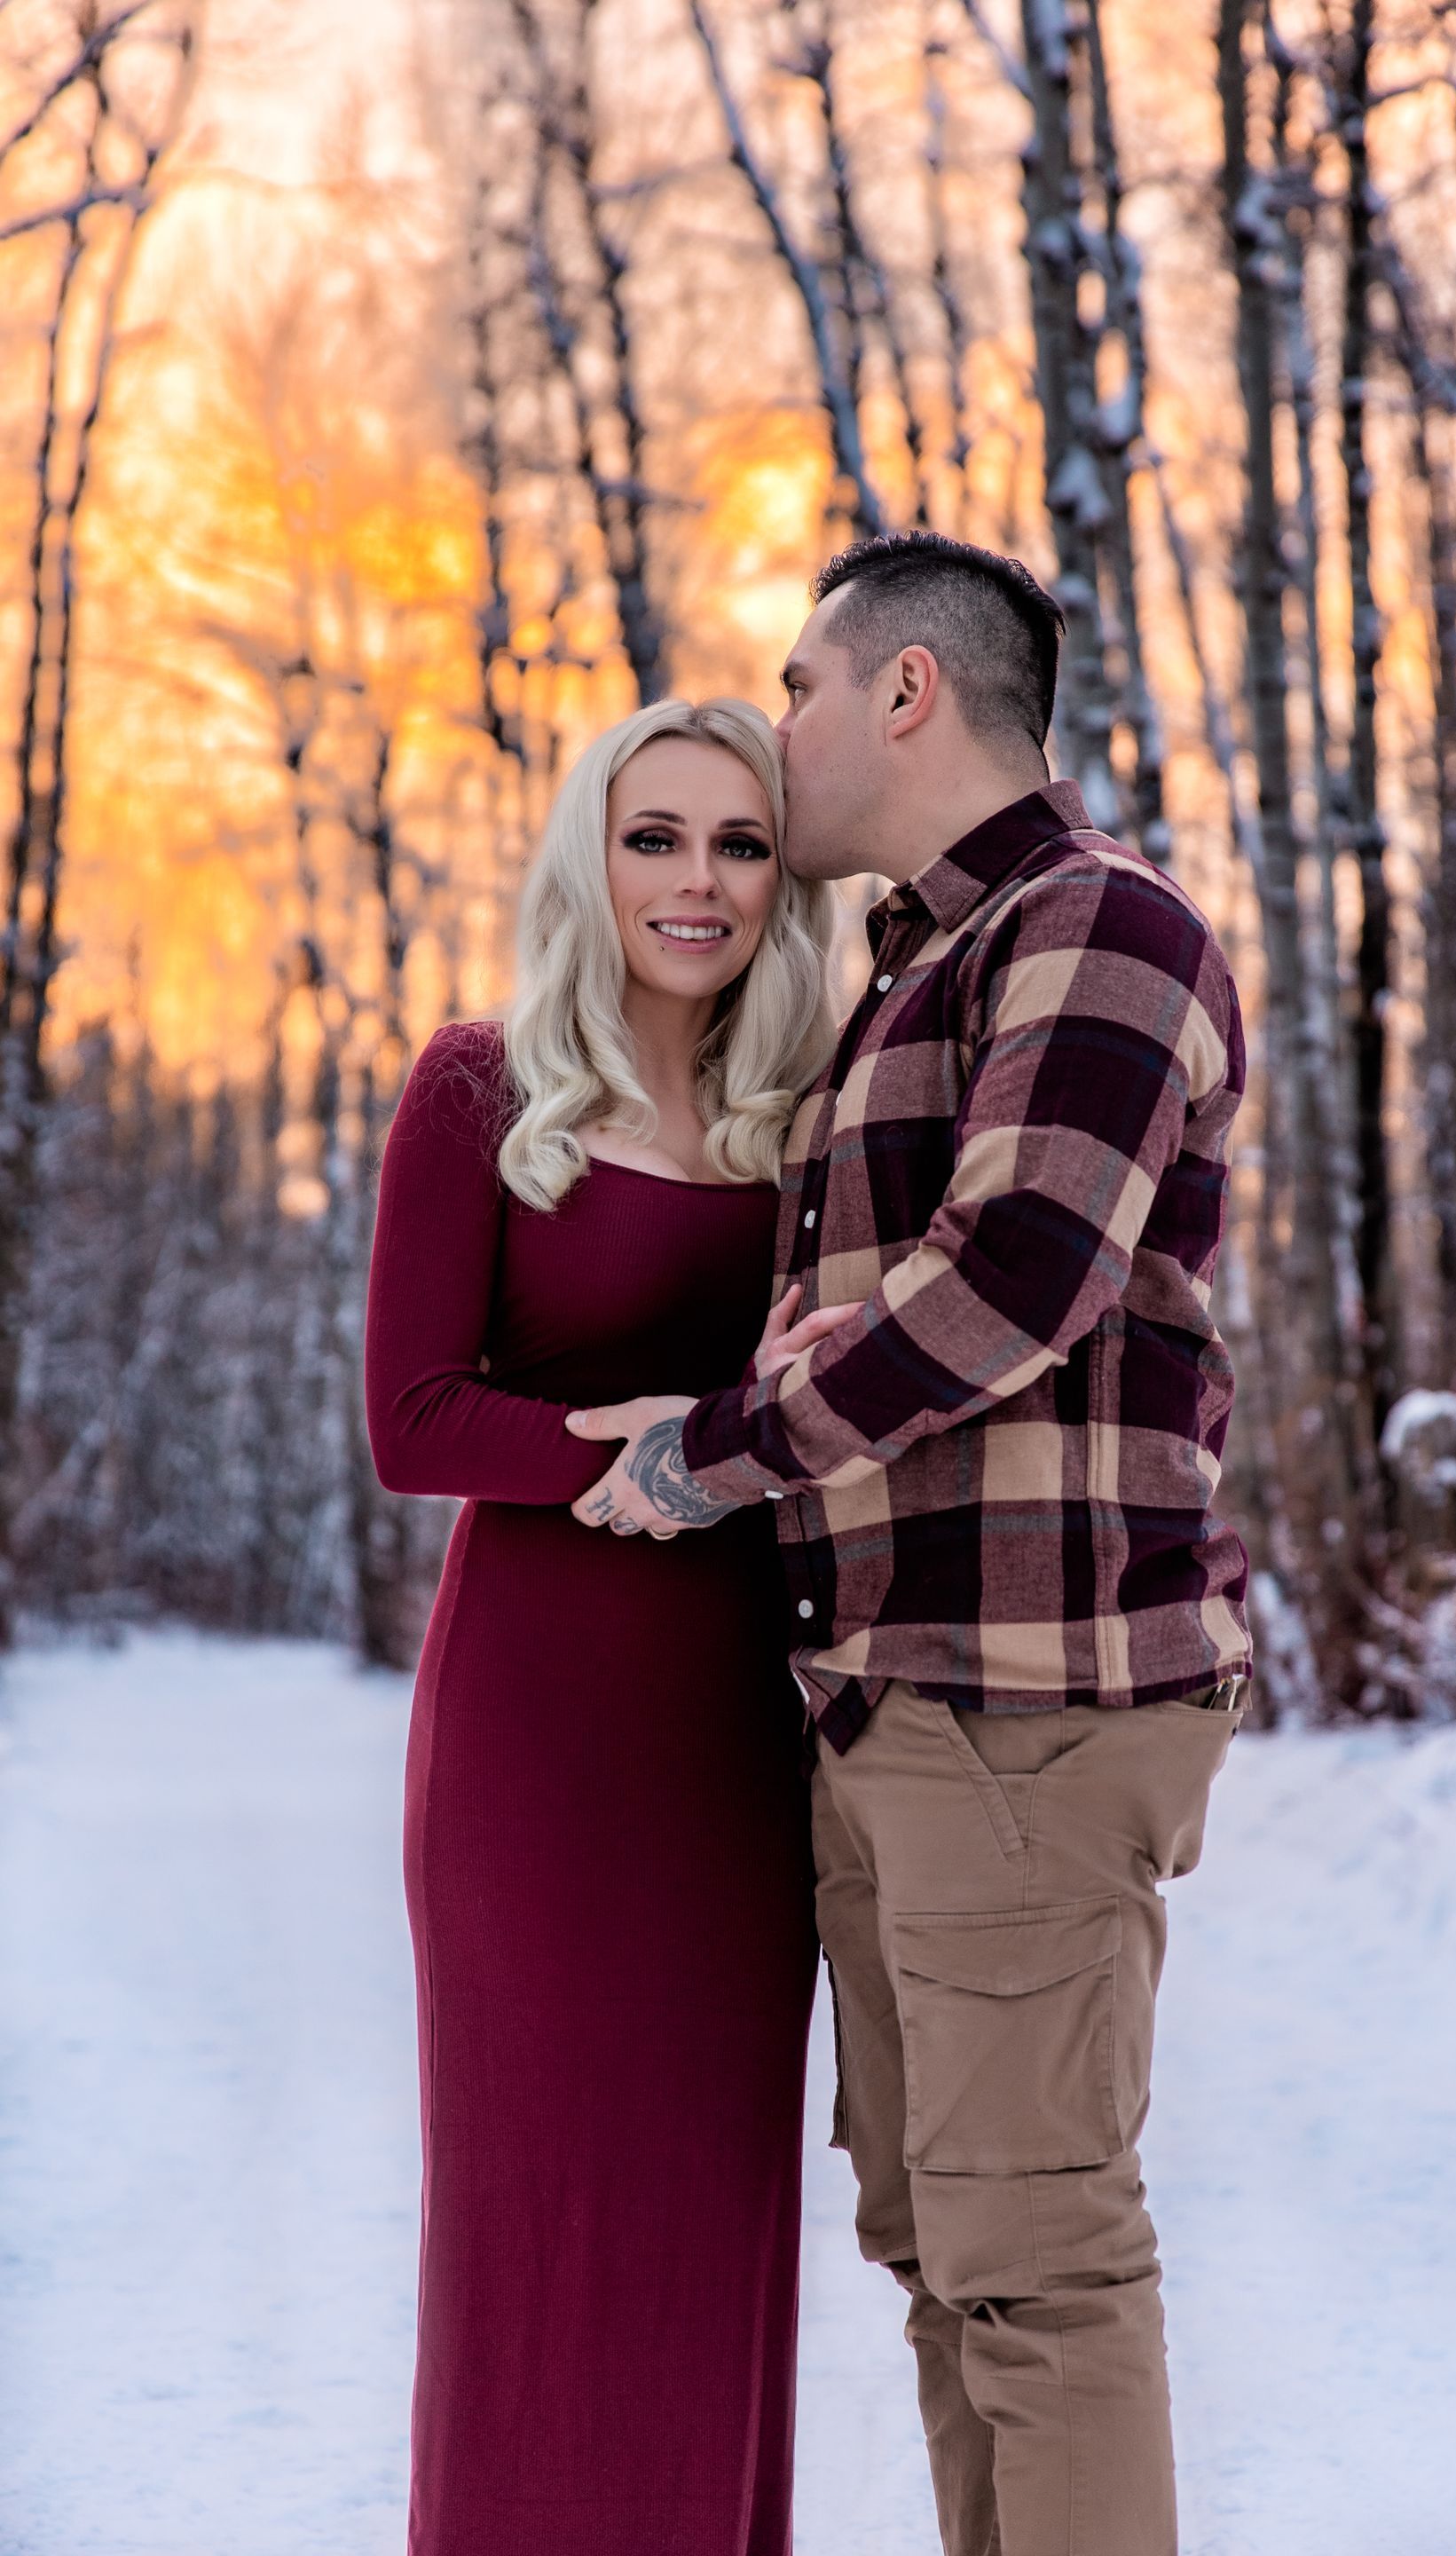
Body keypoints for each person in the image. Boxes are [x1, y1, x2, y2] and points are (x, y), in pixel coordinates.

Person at [569, 532, 1254, 2556]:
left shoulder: (1097, 923)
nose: (775, 727)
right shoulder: (918, 971)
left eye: (798, 686)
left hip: (1028, 1701)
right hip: (900, 1699)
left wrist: (714, 1456)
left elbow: (1016, 1274)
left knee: (1037, 2264)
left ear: (905, 690)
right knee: (949, 2259)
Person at [364, 697, 855, 2556]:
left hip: (739, 1735)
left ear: (783, 876)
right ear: (594, 856)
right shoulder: (482, 1088)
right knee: (534, 2224)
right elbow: (415, 1422)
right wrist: (643, 1443)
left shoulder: (816, 1121)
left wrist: (752, 1429)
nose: (696, 879)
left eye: (740, 841)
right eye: (656, 836)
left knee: (710, 2225)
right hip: (539, 1735)